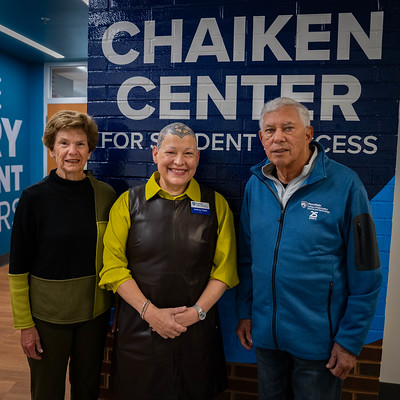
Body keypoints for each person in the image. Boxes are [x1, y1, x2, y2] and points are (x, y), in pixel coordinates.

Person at [235, 97, 382, 400]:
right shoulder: (256, 185)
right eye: (270, 130)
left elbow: (366, 271)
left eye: (288, 128)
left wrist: (350, 340)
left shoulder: (346, 185)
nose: (278, 137)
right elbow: (248, 257)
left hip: (321, 345)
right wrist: (246, 312)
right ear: (261, 138)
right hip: (267, 338)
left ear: (308, 134)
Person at [99, 122, 238, 400]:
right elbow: (113, 268)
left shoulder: (216, 205)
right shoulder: (127, 203)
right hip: (139, 330)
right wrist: (150, 313)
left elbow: (225, 270)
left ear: (197, 158)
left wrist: (196, 313)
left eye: (188, 154)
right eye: (171, 152)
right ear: (155, 154)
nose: (179, 162)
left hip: (196, 332)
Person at [8, 110, 116, 400]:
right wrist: (25, 325)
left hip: (94, 314)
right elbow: (17, 266)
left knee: (87, 388)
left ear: (90, 151)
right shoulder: (33, 198)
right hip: (47, 318)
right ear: (52, 149)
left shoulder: (105, 195)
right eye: (64, 143)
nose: (72, 151)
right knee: (47, 391)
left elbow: (116, 257)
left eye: (81, 144)